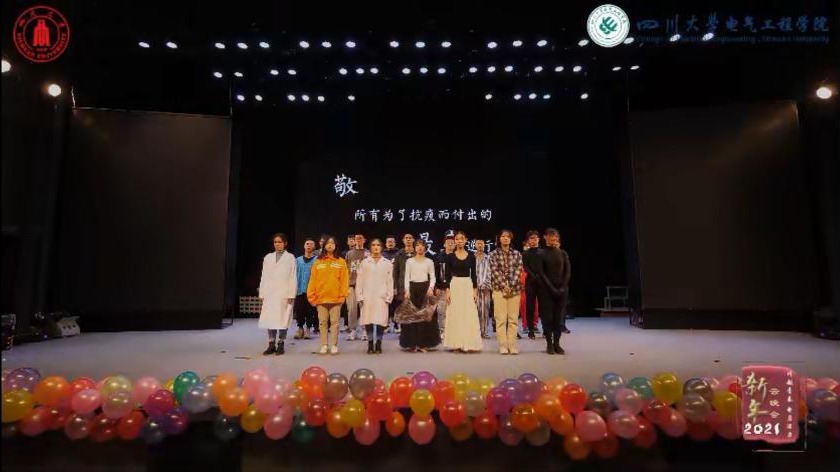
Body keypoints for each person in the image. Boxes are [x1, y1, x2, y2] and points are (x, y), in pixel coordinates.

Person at [307, 236, 349, 355]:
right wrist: (311, 297)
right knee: (322, 322)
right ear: (324, 245)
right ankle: (324, 345)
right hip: (321, 299)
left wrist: (342, 296)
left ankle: (334, 345)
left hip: (336, 299)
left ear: (336, 246)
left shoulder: (341, 262)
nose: (330, 245)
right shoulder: (317, 262)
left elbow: (344, 280)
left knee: (335, 323)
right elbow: (312, 280)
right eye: (328, 243)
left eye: (332, 243)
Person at [442, 231, 483, 353]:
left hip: (467, 285)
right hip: (454, 285)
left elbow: (474, 275)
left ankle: (468, 343)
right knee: (455, 314)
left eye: (462, 239)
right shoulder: (450, 257)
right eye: (457, 239)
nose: (459, 241)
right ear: (455, 241)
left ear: (465, 240)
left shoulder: (471, 256)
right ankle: (456, 344)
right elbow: (447, 276)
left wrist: (475, 290)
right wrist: (447, 291)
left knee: (467, 314)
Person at [258, 233, 297, 356]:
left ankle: (281, 343)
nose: (277, 244)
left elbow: (293, 277)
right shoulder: (268, 257)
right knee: (270, 318)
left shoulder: (290, 258)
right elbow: (264, 276)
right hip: (270, 293)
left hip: (284, 293)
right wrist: (262, 293)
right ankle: (271, 343)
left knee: (283, 319)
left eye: (280, 242)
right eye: (275, 242)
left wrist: (291, 293)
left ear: (285, 243)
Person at [400, 239, 440, 352]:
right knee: (412, 316)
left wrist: (431, 288)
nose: (420, 247)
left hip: (425, 289)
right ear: (414, 248)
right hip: (413, 289)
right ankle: (412, 344)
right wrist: (407, 290)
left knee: (425, 317)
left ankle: (423, 344)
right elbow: (406, 277)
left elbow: (433, 277)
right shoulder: (409, 261)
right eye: (417, 245)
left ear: (425, 248)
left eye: (422, 245)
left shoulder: (429, 261)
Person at [536, 228, 571, 355]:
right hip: (546, 290)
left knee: (559, 318)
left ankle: (557, 343)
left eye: (556, 236)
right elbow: (541, 273)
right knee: (548, 317)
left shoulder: (562, 253)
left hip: (562, 290)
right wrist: (551, 288)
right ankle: (549, 344)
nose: (553, 238)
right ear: (545, 237)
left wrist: (562, 287)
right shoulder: (541, 253)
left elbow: (567, 272)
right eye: (551, 236)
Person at [489, 229, 524, 355]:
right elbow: (494, 271)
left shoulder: (517, 254)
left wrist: (511, 285)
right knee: (501, 320)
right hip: (499, 289)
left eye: (508, 236)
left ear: (511, 239)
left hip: (514, 290)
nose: (505, 238)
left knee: (513, 320)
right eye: (503, 236)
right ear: (499, 239)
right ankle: (503, 346)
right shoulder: (493, 254)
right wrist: (504, 285)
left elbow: (518, 270)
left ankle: (512, 345)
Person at [356, 239, 394, 354]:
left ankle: (378, 343)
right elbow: (359, 280)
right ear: (370, 247)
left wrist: (389, 295)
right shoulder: (364, 263)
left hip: (381, 295)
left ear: (381, 247)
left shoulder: (387, 263)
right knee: (369, 320)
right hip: (367, 295)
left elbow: (390, 281)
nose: (376, 247)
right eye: (373, 245)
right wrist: (359, 295)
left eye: (378, 245)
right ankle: (370, 342)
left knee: (380, 320)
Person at [344, 233, 369, 341]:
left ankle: (364, 330)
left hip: (365, 285)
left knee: (364, 308)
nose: (358, 240)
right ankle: (353, 330)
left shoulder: (368, 253)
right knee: (351, 309)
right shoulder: (349, 253)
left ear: (364, 240)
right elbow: (345, 269)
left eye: (360, 238)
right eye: (356, 239)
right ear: (354, 241)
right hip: (351, 284)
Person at [293, 237, 318, 340]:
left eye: (311, 244)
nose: (309, 246)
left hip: (311, 290)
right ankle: (300, 328)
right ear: (304, 246)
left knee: (310, 310)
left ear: (314, 247)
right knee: (299, 310)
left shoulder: (317, 260)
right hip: (299, 289)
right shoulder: (297, 260)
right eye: (307, 244)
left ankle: (308, 329)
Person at [391, 232, 415, 334]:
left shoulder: (417, 253)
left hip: (414, 284)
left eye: (410, 238)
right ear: (403, 240)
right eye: (406, 238)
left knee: (413, 306)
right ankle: (401, 326)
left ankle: (412, 327)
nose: (408, 239)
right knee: (402, 306)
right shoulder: (399, 254)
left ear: (413, 240)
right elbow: (395, 272)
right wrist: (394, 286)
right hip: (401, 285)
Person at [522, 230, 542, 339]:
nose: (533, 240)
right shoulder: (525, 253)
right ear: (528, 240)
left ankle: (545, 329)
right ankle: (530, 330)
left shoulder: (543, 252)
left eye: (535, 238)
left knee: (544, 306)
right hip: (530, 282)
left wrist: (540, 276)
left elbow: (544, 266)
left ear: (539, 239)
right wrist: (534, 275)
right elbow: (525, 267)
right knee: (530, 306)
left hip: (542, 282)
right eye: (531, 238)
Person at [435, 234, 455, 335]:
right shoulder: (439, 257)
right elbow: (435, 273)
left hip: (455, 288)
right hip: (442, 288)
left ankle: (452, 330)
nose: (450, 244)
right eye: (448, 243)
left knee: (454, 310)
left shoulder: (458, 256)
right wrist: (437, 287)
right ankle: (442, 330)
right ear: (444, 244)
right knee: (441, 310)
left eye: (452, 243)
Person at [474, 239, 492, 339]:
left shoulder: (488, 258)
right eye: (478, 243)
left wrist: (487, 286)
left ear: (484, 245)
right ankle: (475, 332)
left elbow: (490, 272)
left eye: (482, 243)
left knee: (485, 310)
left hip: (485, 288)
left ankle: (484, 332)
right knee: (474, 310)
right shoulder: (471, 258)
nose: (480, 245)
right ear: (475, 245)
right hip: (474, 288)